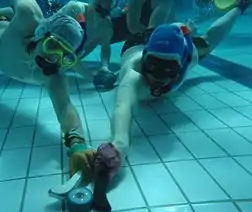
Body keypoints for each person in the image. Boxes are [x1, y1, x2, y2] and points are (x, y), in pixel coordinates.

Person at [96, 0, 251, 177]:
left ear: (180, 66)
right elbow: (122, 108)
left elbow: (211, 36)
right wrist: (118, 147)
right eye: (153, 67)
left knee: (205, 43)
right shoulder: (133, 73)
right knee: (170, 25)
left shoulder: (189, 55)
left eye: (168, 70)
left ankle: (241, 5)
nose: (157, 77)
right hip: (136, 44)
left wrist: (185, 29)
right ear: (145, 62)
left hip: (167, 40)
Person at [0, 0, 96, 182]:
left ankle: (4, 14)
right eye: (52, 46)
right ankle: (3, 13)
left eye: (63, 55)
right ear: (41, 33)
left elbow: (65, 108)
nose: (52, 58)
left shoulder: (53, 75)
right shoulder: (29, 16)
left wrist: (77, 144)